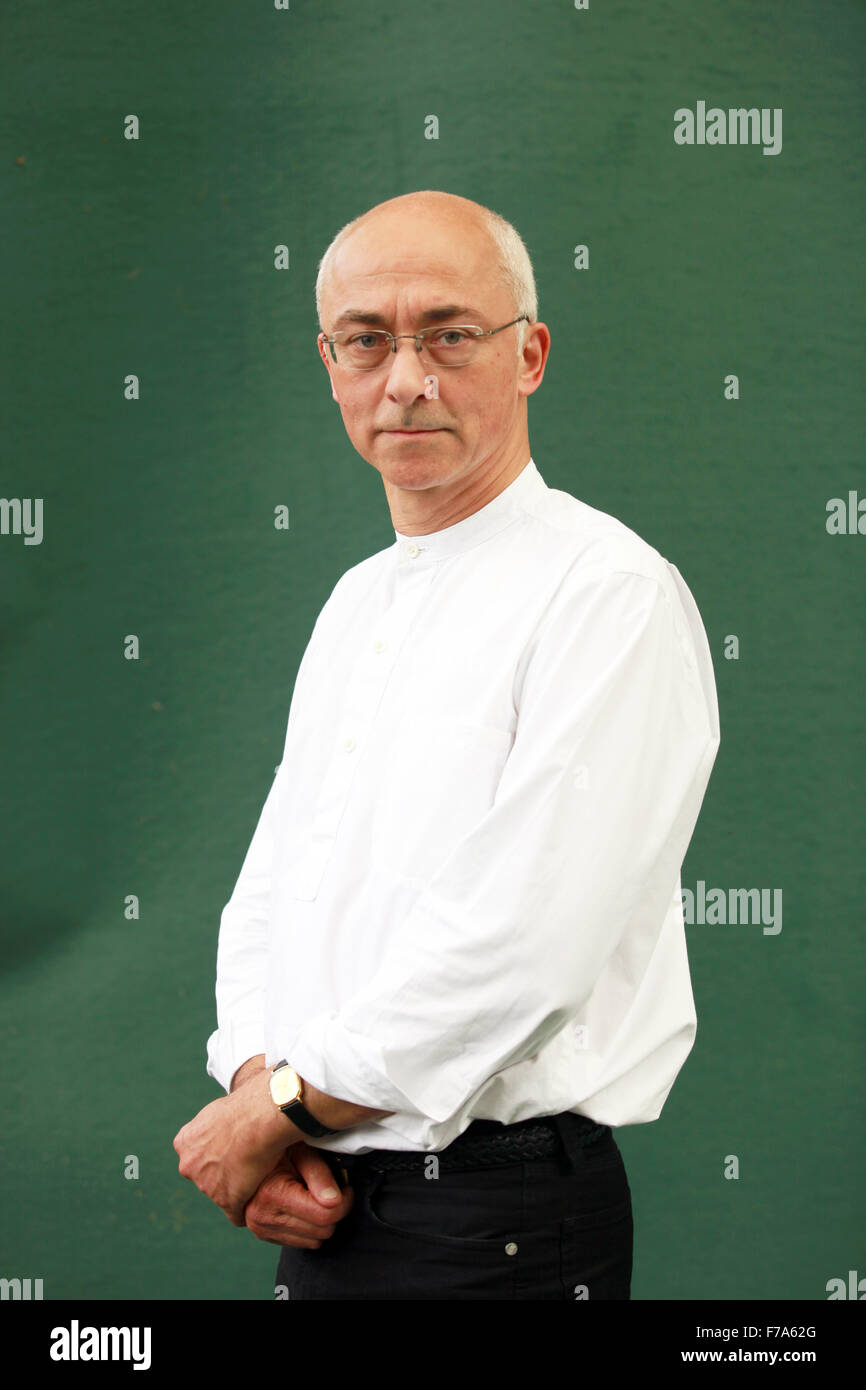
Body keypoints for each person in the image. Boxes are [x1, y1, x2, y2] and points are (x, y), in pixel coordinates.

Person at [173, 189, 721, 1300]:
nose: (406, 378)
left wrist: (273, 1108)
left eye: (449, 334)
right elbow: (275, 890)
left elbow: (524, 946)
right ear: (328, 364)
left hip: (496, 1227)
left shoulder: (604, 591)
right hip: (328, 1198)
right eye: (367, 341)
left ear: (530, 354)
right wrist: (258, 1086)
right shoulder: (353, 601)